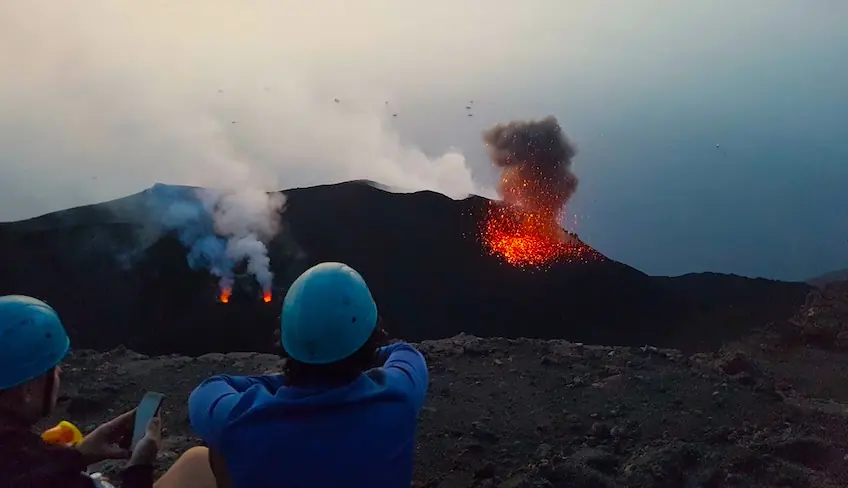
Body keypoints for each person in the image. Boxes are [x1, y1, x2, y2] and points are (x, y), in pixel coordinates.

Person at [189, 262, 430, 488]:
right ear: (370, 336)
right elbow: (404, 352)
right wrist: (360, 354)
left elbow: (209, 389)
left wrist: (284, 380)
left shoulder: (242, 417)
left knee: (207, 452)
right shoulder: (400, 395)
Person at [0, 295, 218, 488]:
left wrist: (79, 455)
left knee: (197, 462)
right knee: (204, 466)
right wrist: (139, 467)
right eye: (51, 367)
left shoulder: (18, 458)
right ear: (27, 390)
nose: (60, 371)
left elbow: (24, 468)